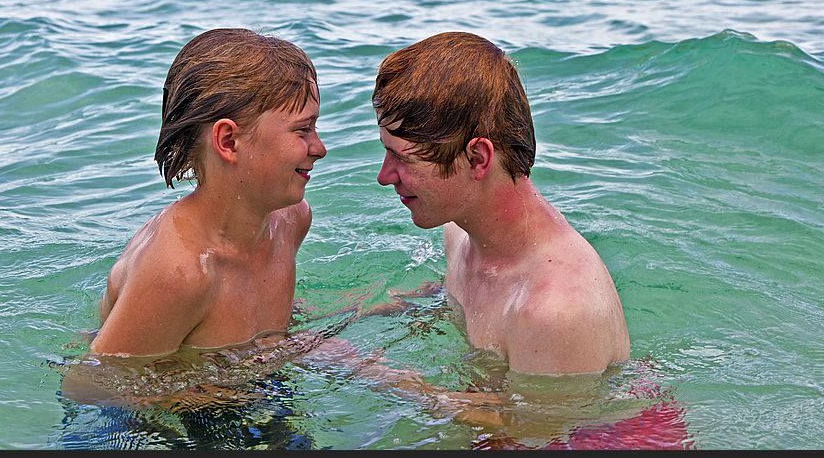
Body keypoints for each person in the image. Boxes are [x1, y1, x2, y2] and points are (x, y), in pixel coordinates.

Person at [372, 32, 630, 375]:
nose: (385, 175)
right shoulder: (459, 233)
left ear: (478, 158)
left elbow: (538, 427)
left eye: (403, 158)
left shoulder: (554, 310)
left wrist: (373, 373)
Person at [90, 28, 327, 357]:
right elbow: (93, 386)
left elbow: (264, 321)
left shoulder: (290, 221)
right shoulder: (178, 273)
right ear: (229, 141)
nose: (320, 148)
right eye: (303, 129)